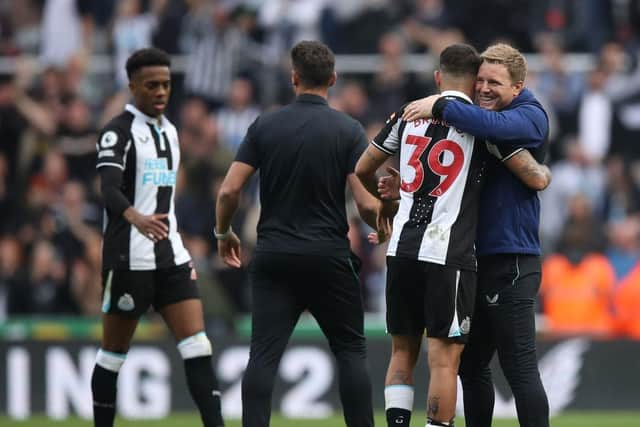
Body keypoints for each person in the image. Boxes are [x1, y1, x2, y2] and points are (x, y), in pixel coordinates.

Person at [355, 43, 550, 427]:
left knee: (518, 367)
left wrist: (441, 104)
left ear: (518, 86)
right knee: (470, 365)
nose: (485, 89)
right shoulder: (476, 121)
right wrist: (408, 188)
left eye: (495, 82)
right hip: (465, 258)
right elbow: (529, 174)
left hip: (509, 259)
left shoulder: (527, 115)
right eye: (480, 81)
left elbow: (534, 173)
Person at [215, 40, 387, 427]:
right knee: (350, 352)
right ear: (333, 79)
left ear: (293, 77)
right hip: (328, 256)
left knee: (262, 356)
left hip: (275, 256)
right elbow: (364, 201)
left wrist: (223, 231)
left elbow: (228, 190)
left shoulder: (265, 125)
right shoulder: (347, 129)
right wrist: (382, 220)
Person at [91, 47, 224, 427]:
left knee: (198, 345)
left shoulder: (170, 130)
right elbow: (108, 188)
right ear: (132, 86)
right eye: (152, 85)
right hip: (128, 258)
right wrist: (136, 217)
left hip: (171, 256)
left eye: (166, 84)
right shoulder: (118, 132)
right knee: (113, 354)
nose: (161, 91)